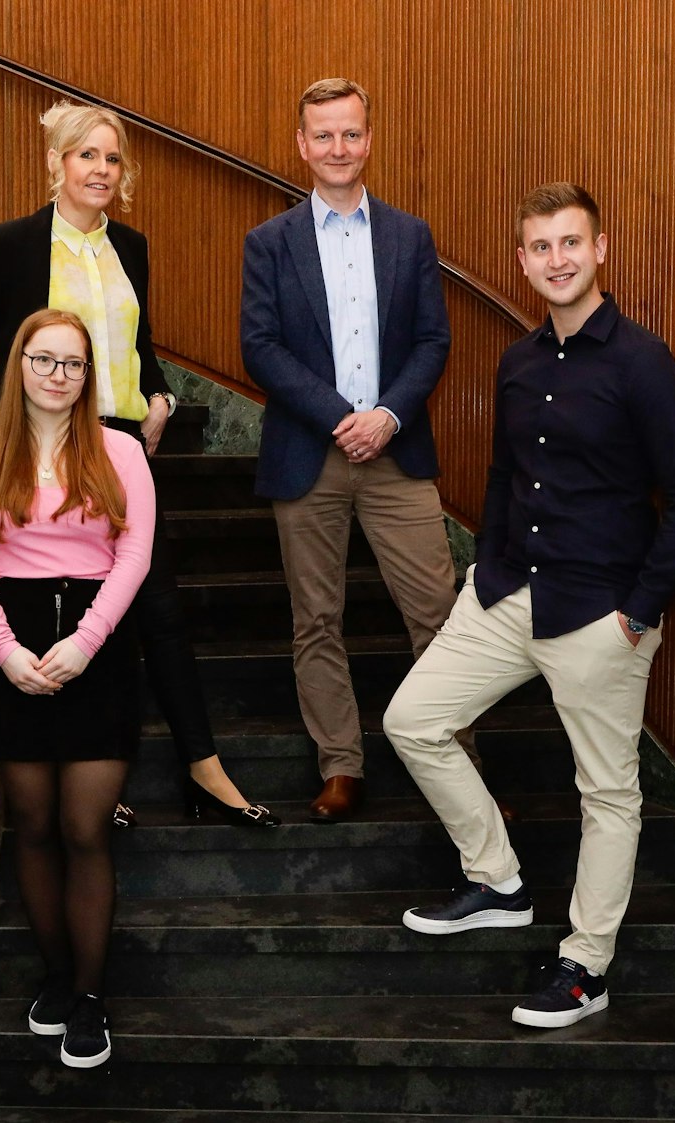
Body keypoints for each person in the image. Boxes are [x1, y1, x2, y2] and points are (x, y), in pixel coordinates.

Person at [383, 184, 675, 1028]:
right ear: (522, 260)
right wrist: (484, 568)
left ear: (600, 250)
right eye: (540, 246)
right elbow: (503, 476)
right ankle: (498, 879)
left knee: (608, 794)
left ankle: (586, 965)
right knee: (412, 720)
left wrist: (639, 611)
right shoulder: (518, 361)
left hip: (599, 612)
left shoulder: (643, 362)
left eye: (571, 242)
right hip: (504, 594)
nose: (557, 259)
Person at [0, 101, 277, 829]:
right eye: (86, 155)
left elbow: (134, 341)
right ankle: (88, 765)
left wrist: (159, 394)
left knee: (154, 606)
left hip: (116, 445)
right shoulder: (12, 244)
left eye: (112, 158)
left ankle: (199, 764)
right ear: (57, 163)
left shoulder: (131, 244)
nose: (101, 169)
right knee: (49, 605)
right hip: (33, 443)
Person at [240, 78, 487, 823]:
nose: (338, 148)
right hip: (307, 455)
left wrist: (386, 416)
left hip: (396, 452)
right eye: (323, 135)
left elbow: (433, 340)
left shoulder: (411, 236)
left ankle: (463, 776)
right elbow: (261, 347)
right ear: (302, 145)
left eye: (350, 133)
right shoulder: (269, 242)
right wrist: (340, 417)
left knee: (439, 615)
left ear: (369, 140)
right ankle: (341, 765)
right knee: (316, 619)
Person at [0, 308, 152, 1067]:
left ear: (87, 374)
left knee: (84, 827)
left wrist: (86, 642)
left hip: (98, 644)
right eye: (44, 360)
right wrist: (4, 650)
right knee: (30, 826)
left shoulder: (121, 450)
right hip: (14, 643)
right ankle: (58, 978)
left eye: (72, 363)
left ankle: (91, 996)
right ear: (18, 365)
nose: (58, 375)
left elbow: (135, 554)